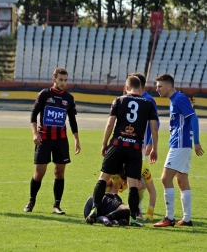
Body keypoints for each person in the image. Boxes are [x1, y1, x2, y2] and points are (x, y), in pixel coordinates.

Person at [85, 75, 158, 227]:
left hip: (118, 143)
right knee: (132, 185)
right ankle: (132, 218)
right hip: (135, 147)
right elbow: (154, 127)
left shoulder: (118, 100)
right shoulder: (148, 103)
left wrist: (104, 143)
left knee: (103, 178)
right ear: (140, 89)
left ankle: (95, 209)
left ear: (126, 87)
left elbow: (110, 123)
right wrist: (155, 148)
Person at [24, 68, 81, 214]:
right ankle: (31, 201)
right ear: (54, 79)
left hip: (61, 140)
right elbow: (33, 115)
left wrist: (76, 139)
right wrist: (35, 133)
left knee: (59, 172)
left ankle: (56, 205)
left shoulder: (69, 98)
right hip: (44, 139)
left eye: (65, 80)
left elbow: (73, 120)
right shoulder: (44, 94)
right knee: (39, 173)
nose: (63, 83)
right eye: (60, 80)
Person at [153, 74, 204, 227]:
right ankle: (187, 219)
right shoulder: (175, 100)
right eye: (156, 86)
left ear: (169, 86)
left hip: (180, 144)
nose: (157, 89)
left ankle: (169, 218)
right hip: (181, 144)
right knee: (181, 180)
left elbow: (193, 117)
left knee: (165, 178)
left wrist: (197, 141)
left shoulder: (179, 98)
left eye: (160, 86)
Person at [128, 72, 160, 221]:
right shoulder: (138, 99)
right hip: (132, 144)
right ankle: (136, 207)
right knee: (133, 177)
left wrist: (149, 144)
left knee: (139, 178)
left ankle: (138, 209)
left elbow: (156, 123)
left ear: (139, 87)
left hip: (141, 146)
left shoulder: (148, 100)